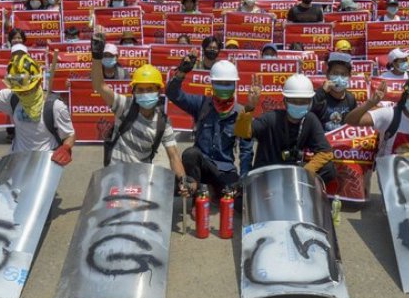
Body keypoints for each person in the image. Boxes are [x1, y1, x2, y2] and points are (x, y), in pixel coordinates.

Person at [89, 32, 189, 188]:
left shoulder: (163, 122)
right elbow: (99, 86)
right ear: (133, 92)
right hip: (115, 175)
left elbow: (174, 156)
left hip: (141, 177)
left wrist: (183, 181)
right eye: (140, 90)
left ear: (159, 92)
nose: (145, 93)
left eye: (150, 89)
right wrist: (96, 58)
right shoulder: (124, 106)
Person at [0, 48, 75, 164]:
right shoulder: (12, 97)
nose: (22, 93)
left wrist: (66, 148)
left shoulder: (55, 106)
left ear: (38, 82)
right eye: (18, 90)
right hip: (18, 161)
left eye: (26, 90)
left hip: (45, 163)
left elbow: (69, 134)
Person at [167, 57, 253, 187]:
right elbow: (173, 94)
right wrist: (181, 74)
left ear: (235, 85)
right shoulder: (201, 104)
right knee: (191, 154)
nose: (224, 87)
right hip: (201, 168)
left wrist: (243, 180)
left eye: (228, 84)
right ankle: (193, 196)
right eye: (220, 83)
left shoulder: (241, 113)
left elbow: (246, 150)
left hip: (225, 171)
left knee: (237, 201)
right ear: (212, 83)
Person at [234, 73, 335, 180]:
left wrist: (306, 170)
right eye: (294, 101)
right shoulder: (271, 118)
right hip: (267, 173)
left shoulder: (310, 119)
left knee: (329, 169)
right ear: (285, 102)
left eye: (303, 102)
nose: (298, 105)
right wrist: (249, 107)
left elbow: (326, 152)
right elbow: (242, 132)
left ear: (310, 103)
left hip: (294, 172)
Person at [345, 75, 409, 158]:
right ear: (405, 96)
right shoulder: (390, 114)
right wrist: (370, 103)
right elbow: (351, 120)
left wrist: (408, 160)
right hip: (388, 172)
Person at [311, 52, 357, 132]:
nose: (339, 78)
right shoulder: (320, 96)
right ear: (328, 75)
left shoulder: (350, 99)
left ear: (349, 77)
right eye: (335, 73)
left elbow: (355, 122)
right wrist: (321, 92)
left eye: (343, 74)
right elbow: (307, 113)